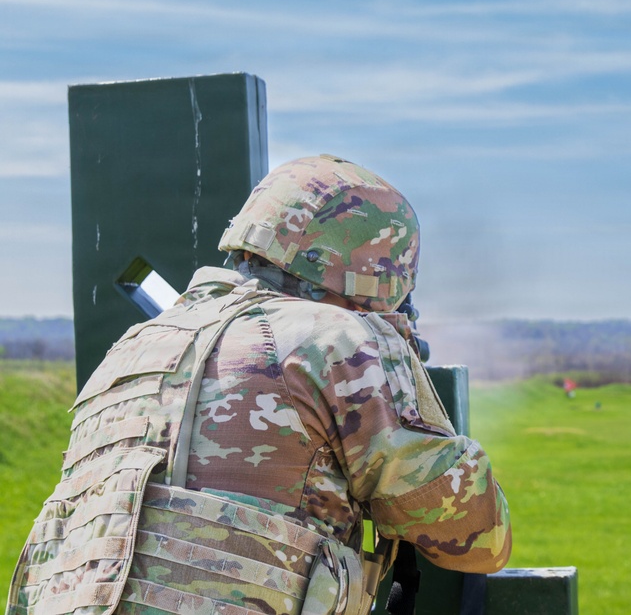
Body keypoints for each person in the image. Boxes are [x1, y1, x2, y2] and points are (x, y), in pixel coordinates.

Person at [8, 155, 512, 615]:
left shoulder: (130, 348)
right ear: (373, 269)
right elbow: (479, 533)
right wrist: (400, 357)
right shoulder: (338, 339)